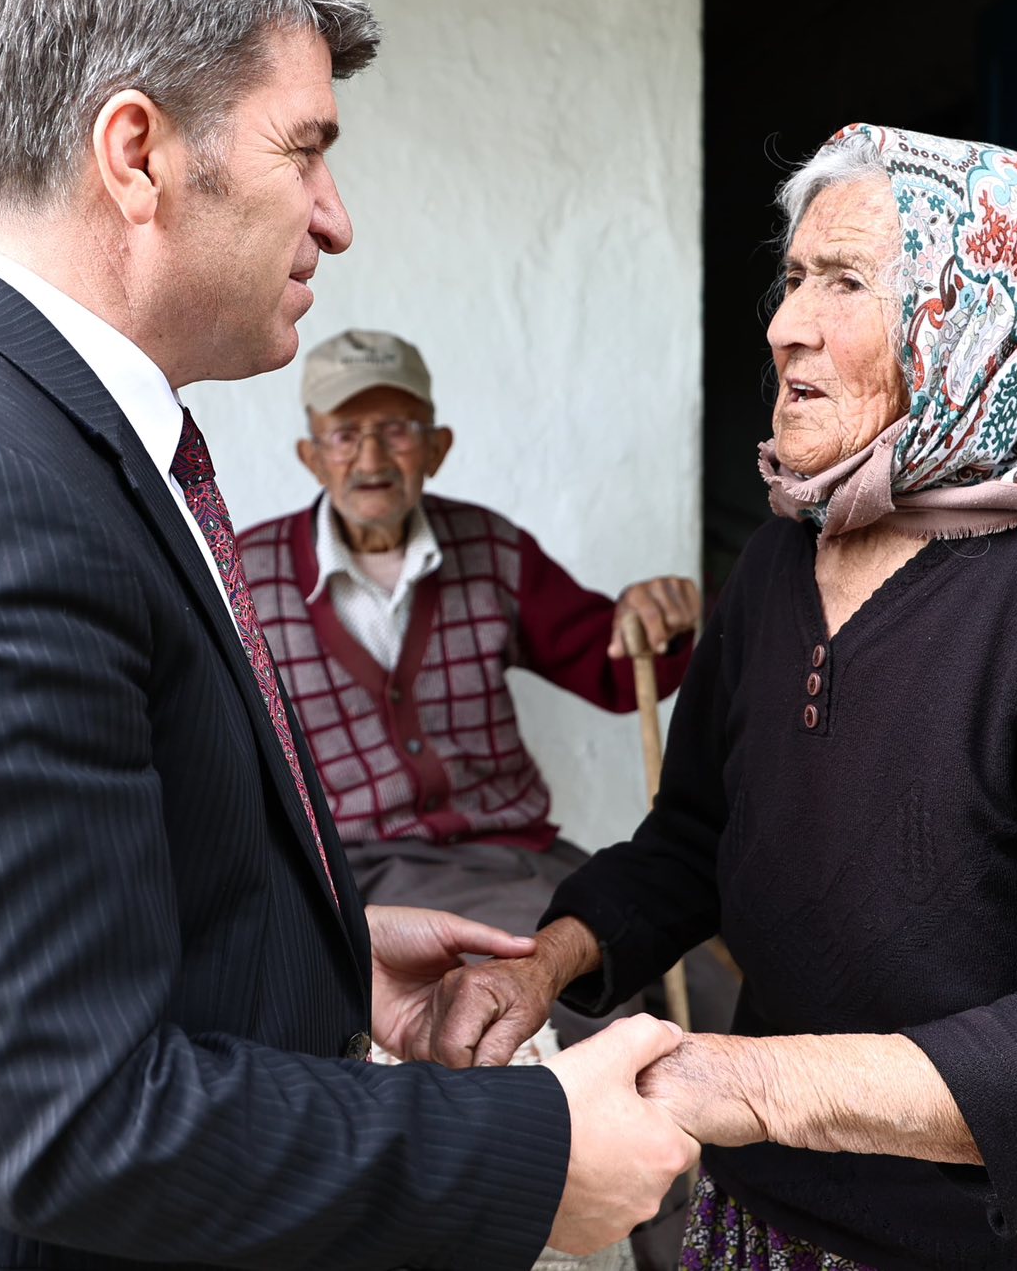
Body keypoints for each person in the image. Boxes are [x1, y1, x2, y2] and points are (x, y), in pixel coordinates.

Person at [0, 0, 695, 1271]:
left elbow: (102, 885)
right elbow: (70, 1119)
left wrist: (330, 958)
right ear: (140, 154)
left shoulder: (64, 445)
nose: (338, 217)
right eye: (306, 151)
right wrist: (537, 1155)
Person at [430, 125, 1017, 1270]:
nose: (783, 323)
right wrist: (542, 962)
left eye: (842, 281)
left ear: (975, 324)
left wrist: (739, 1081)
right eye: (792, 277)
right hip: (789, 1197)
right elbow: (699, 836)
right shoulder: (777, 564)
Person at [238, 328, 737, 1050]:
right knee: (585, 1000)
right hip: (370, 869)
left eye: (397, 431)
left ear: (436, 448)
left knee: (705, 981)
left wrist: (654, 617)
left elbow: (615, 669)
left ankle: (719, 1165)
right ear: (311, 455)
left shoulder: (491, 549)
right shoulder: (248, 577)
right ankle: (618, 1158)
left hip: (516, 849)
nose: (371, 458)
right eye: (345, 435)